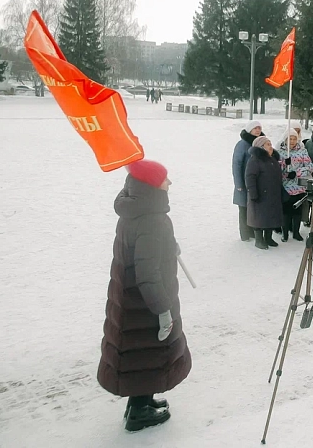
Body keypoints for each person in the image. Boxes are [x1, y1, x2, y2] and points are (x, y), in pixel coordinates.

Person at [98, 159, 191, 432]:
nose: (170, 183)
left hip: (133, 303)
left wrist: (167, 246)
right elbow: (148, 273)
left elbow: (144, 251)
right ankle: (139, 412)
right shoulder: (151, 219)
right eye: (165, 179)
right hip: (147, 303)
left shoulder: (135, 210)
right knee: (146, 353)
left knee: (140, 354)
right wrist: (163, 310)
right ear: (151, 185)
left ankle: (140, 401)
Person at [245, 136, 284, 249]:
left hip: (273, 194)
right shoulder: (254, 160)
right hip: (260, 194)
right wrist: (253, 193)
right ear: (261, 147)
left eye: (270, 144)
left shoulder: (272, 159)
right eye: (268, 144)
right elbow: (250, 177)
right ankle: (259, 240)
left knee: (270, 216)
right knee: (259, 217)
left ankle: (268, 237)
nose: (271, 146)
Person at [280, 130, 313, 242]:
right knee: (286, 211)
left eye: (294, 139)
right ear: (285, 139)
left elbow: (309, 166)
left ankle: (296, 232)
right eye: (290, 139)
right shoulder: (280, 152)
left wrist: (297, 172)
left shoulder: (302, 151)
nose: (292, 141)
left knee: (297, 211)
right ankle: (284, 233)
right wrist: (285, 167)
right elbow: (276, 169)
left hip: (299, 186)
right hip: (286, 187)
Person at [232, 120, 262, 241]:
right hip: (244, 183)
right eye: (255, 128)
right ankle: (245, 234)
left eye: (259, 128)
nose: (257, 130)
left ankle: (253, 231)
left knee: (253, 208)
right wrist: (238, 183)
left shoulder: (260, 142)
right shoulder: (242, 144)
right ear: (249, 129)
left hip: (257, 182)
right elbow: (236, 164)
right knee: (244, 208)